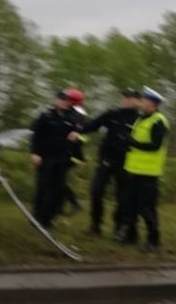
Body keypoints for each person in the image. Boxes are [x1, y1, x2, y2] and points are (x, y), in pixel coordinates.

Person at [73, 88, 140, 236]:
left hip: (126, 162)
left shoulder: (139, 119)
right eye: (124, 97)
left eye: (130, 97)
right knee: (96, 191)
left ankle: (118, 228)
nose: (125, 100)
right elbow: (92, 125)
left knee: (121, 196)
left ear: (137, 101)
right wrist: (77, 130)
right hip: (107, 159)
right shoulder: (112, 114)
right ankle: (95, 226)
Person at [119, 87, 170, 254]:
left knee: (146, 208)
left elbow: (155, 146)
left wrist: (132, 142)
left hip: (148, 173)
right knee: (129, 205)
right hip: (133, 170)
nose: (141, 104)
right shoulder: (140, 119)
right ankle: (131, 235)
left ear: (153, 104)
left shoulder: (158, 121)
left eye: (145, 101)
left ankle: (153, 240)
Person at [30, 89, 80, 228]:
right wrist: (34, 153)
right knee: (43, 188)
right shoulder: (45, 116)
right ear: (56, 100)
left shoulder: (71, 119)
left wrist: (77, 134)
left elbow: (80, 131)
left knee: (57, 190)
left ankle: (48, 219)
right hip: (45, 157)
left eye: (67, 101)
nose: (65, 103)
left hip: (62, 159)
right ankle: (36, 218)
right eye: (63, 100)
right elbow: (36, 136)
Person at [61, 88, 87, 214]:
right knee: (58, 180)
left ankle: (74, 203)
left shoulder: (77, 115)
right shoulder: (78, 113)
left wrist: (80, 158)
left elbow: (76, 139)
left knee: (58, 180)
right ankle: (68, 204)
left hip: (69, 153)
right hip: (70, 152)